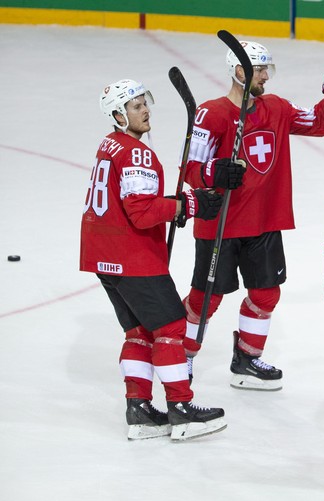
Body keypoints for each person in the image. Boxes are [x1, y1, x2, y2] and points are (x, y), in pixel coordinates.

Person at [180, 40, 324, 390]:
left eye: (266, 68)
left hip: (263, 222)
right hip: (220, 222)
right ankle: (181, 357)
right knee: (206, 300)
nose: (266, 76)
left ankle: (247, 358)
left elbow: (318, 123)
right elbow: (189, 168)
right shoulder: (211, 114)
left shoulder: (276, 107)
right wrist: (214, 173)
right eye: (259, 69)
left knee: (266, 294)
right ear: (238, 71)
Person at [81, 79, 227, 441]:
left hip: (103, 256)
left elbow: (133, 199)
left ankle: (139, 410)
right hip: (133, 257)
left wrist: (174, 206)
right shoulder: (136, 152)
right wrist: (188, 204)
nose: (145, 109)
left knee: (140, 331)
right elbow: (142, 212)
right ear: (118, 115)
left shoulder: (108, 145)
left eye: (144, 102)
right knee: (172, 328)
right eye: (135, 106)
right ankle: (181, 407)